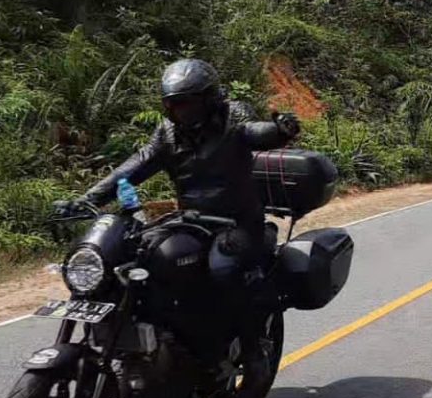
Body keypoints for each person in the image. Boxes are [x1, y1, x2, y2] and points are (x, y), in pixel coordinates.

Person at [71, 58, 300, 273]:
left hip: (238, 221)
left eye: (187, 103)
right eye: (173, 104)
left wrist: (278, 131)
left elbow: (253, 131)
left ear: (209, 99)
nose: (181, 111)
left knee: (222, 266)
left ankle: (251, 297)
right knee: (143, 255)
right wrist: (87, 200)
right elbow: (137, 165)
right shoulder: (168, 132)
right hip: (190, 221)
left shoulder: (233, 115)